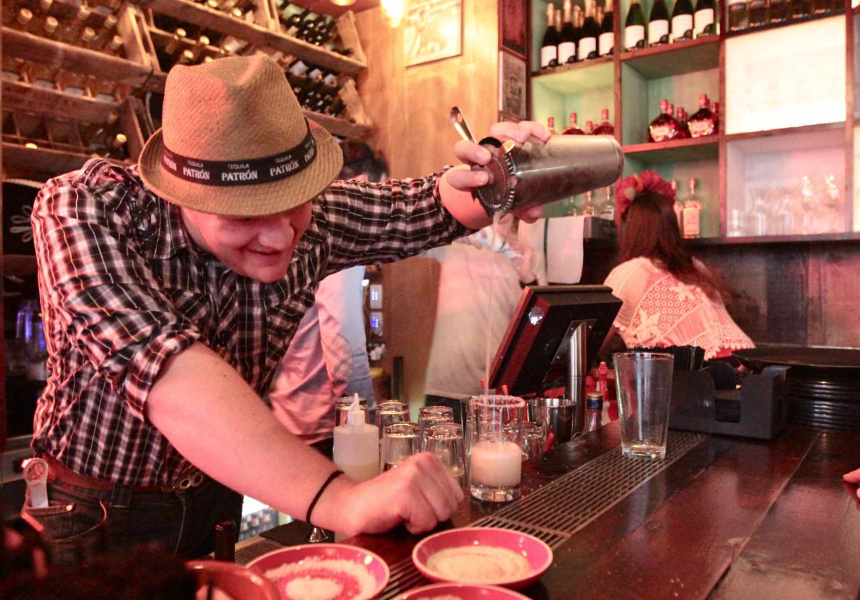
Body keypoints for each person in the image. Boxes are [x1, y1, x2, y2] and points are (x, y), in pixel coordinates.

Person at [27, 54, 548, 564]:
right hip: (92, 511)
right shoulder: (84, 208)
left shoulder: (315, 221)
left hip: (216, 497)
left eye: (294, 200)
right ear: (180, 194)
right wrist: (344, 498)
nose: (280, 238)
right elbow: (162, 369)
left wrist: (507, 174)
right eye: (244, 215)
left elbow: (425, 206)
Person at [268, 144, 387, 446]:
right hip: (326, 424)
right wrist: (366, 415)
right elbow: (341, 335)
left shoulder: (304, 230)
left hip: (289, 413)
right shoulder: (344, 231)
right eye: (384, 194)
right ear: (364, 183)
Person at [601, 171, 754, 360]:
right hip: (746, 360)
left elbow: (595, 343)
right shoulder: (695, 266)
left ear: (631, 230)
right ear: (673, 226)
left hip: (701, 369)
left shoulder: (626, 274)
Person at [424, 215, 537, 414]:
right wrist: (462, 228)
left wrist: (527, 279)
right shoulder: (455, 242)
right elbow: (416, 237)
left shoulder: (523, 252)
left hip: (499, 390)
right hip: (449, 385)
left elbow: (535, 323)